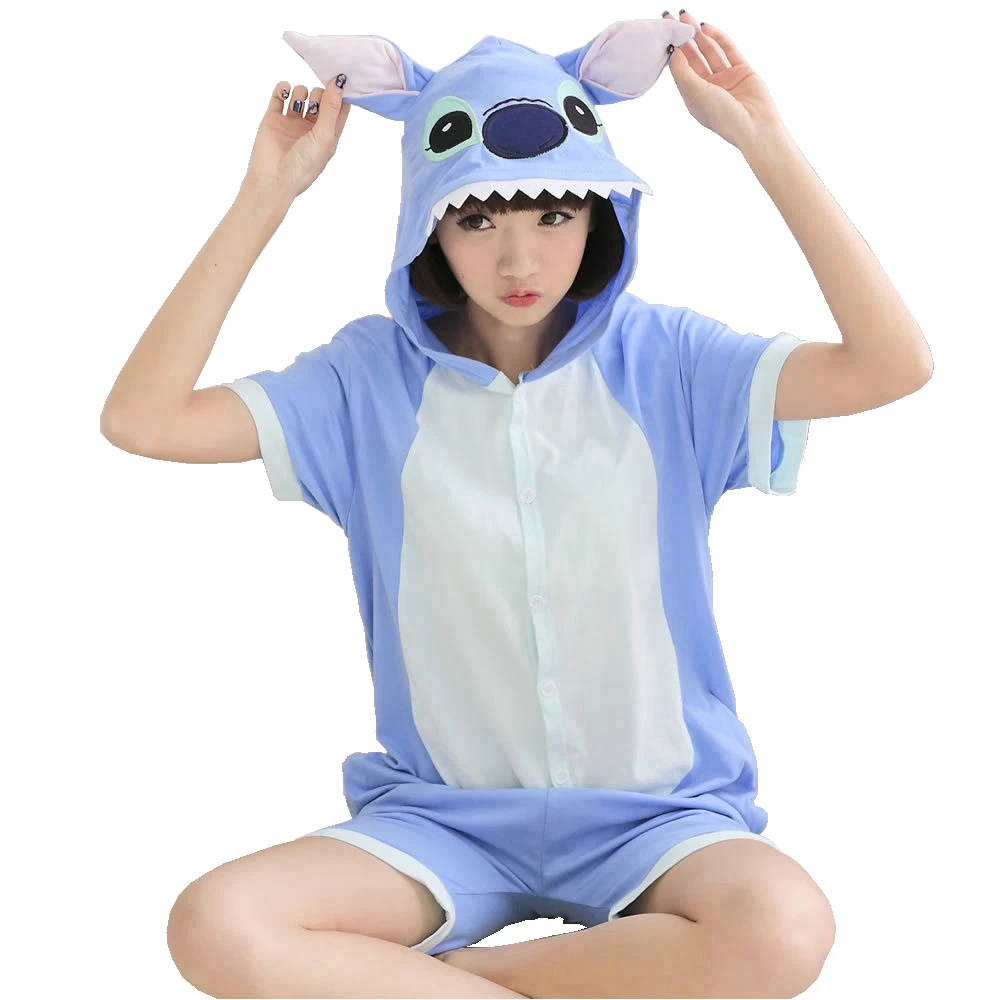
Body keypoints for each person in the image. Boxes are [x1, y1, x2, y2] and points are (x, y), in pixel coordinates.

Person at [101, 12, 932, 999]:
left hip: (660, 820)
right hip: (441, 823)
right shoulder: (361, 383)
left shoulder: (672, 362)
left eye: (554, 215)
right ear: (426, 222)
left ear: (600, 216)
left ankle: (438, 982)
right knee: (217, 923)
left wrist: (764, 142)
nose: (520, 263)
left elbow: (893, 363)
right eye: (478, 219)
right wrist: (265, 197)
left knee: (784, 929)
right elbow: (143, 419)